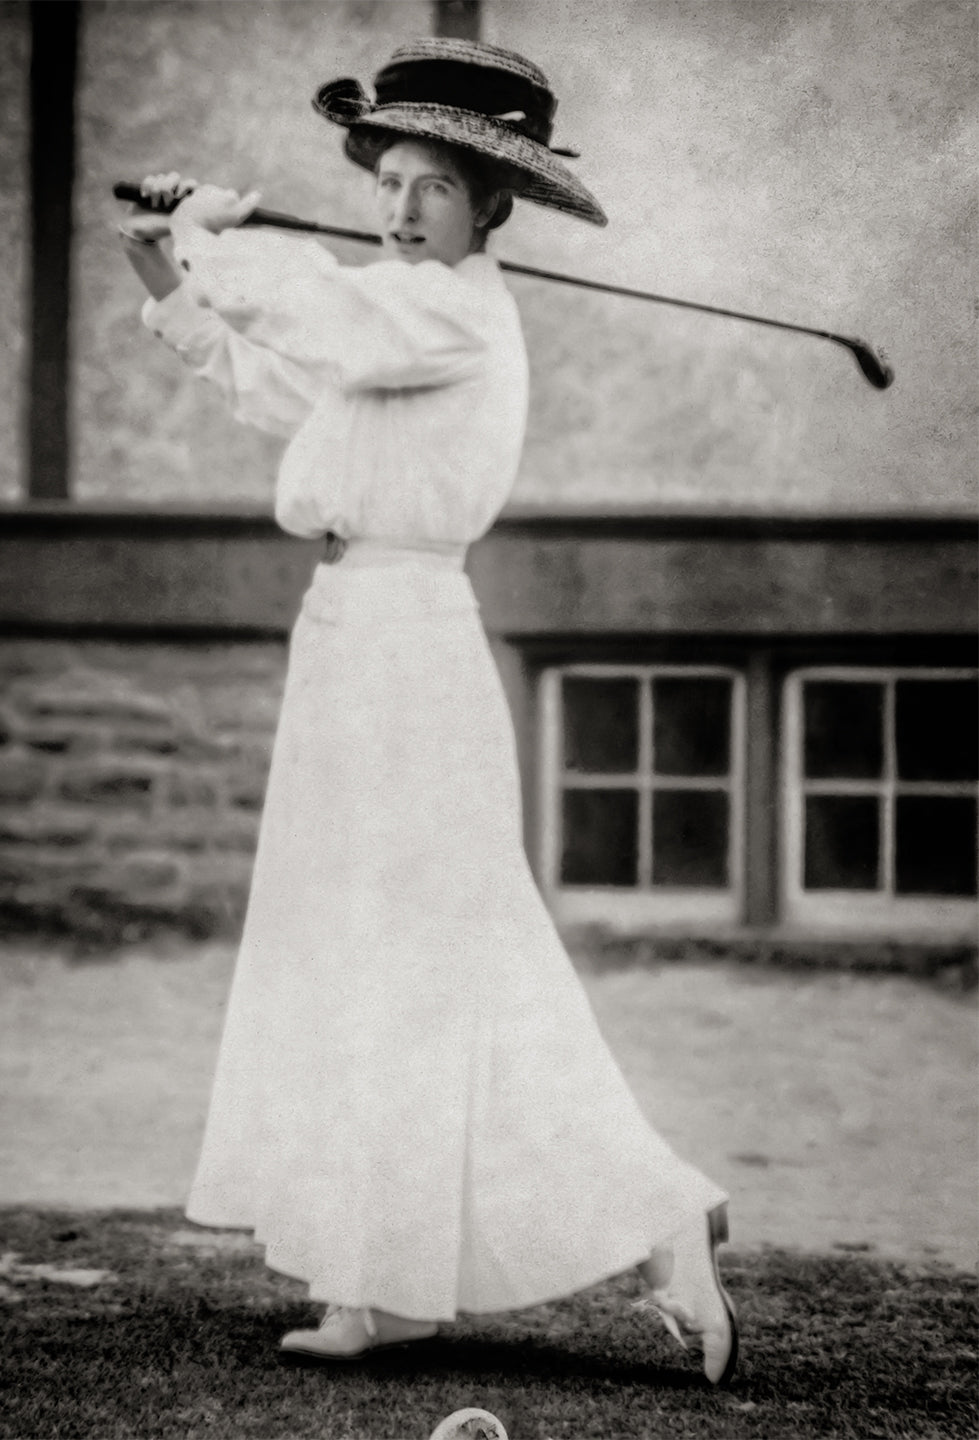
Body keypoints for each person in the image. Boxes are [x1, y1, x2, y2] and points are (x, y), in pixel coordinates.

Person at [119, 37, 738, 1385]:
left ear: (491, 207)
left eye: (435, 190)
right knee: (357, 959)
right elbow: (282, 384)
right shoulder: (396, 320)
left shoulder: (452, 315)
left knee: (419, 962)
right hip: (347, 641)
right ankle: (385, 1283)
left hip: (410, 648)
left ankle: (651, 1217)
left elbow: (326, 318)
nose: (401, 211)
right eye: (390, 181)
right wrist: (170, 269)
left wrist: (220, 238)